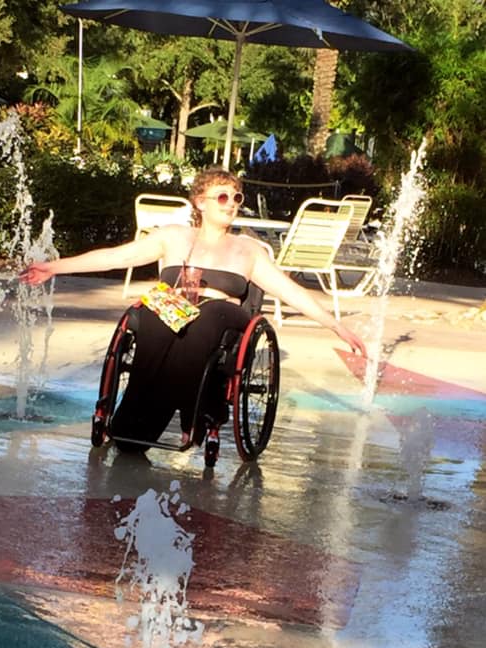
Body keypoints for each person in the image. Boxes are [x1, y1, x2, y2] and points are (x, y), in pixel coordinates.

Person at [20, 166, 367, 450]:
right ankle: (134, 420)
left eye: (236, 197)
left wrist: (335, 325)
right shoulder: (172, 237)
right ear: (200, 202)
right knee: (151, 317)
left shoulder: (248, 251)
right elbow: (116, 256)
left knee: (207, 319)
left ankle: (198, 410)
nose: (231, 203)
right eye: (222, 196)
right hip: (172, 306)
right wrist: (54, 267)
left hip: (222, 314)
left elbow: (290, 291)